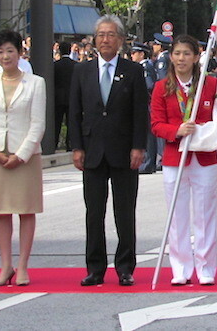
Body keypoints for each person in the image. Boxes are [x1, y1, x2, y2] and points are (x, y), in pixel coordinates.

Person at [69, 15, 148, 287]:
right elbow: (74, 112)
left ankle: (125, 267)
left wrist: (139, 147)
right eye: (101, 34)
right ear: (94, 40)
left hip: (124, 150)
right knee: (94, 213)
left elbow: (140, 113)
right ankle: (95, 268)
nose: (105, 39)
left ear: (120, 40)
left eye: (110, 34)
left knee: (124, 212)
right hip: (92, 151)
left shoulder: (133, 71)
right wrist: (77, 147)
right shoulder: (82, 71)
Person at [0, 30, 46, 287]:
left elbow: (38, 124)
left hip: (24, 157)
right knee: (1, 212)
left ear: (20, 53)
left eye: (10, 51)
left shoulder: (35, 83)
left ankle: (23, 266)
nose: (5, 56)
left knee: (26, 211)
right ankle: (5, 266)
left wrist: (21, 155)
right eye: (0, 51)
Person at [150, 35, 217, 285]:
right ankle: (180, 268)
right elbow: (156, 124)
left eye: (187, 54)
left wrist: (202, 129)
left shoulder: (210, 85)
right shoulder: (162, 87)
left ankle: (206, 268)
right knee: (177, 217)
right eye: (177, 53)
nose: (182, 58)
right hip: (173, 157)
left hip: (204, 157)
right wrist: (176, 131)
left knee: (205, 214)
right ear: (171, 56)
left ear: (197, 57)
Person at [131, 43, 160, 174]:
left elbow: (149, 85)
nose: (132, 55)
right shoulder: (144, 66)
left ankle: (148, 163)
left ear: (141, 54)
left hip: (148, 103)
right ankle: (148, 163)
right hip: (148, 103)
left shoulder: (144, 67)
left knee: (148, 134)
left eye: (134, 53)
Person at [53, 41, 76, 151]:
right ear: (70, 50)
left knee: (57, 122)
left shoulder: (55, 66)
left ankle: (54, 144)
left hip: (58, 98)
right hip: (71, 97)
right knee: (71, 122)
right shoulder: (75, 65)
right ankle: (70, 144)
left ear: (59, 51)